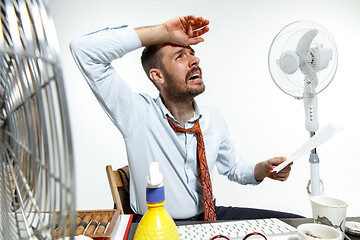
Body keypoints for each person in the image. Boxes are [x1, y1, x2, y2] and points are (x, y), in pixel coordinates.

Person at [70, 15, 302, 222]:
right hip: (158, 226)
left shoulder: (213, 117)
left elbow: (233, 167)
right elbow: (84, 50)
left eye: (192, 54)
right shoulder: (136, 113)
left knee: (295, 224)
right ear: (157, 75)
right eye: (180, 56)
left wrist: (262, 170)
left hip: (209, 215)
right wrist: (161, 32)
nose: (194, 60)